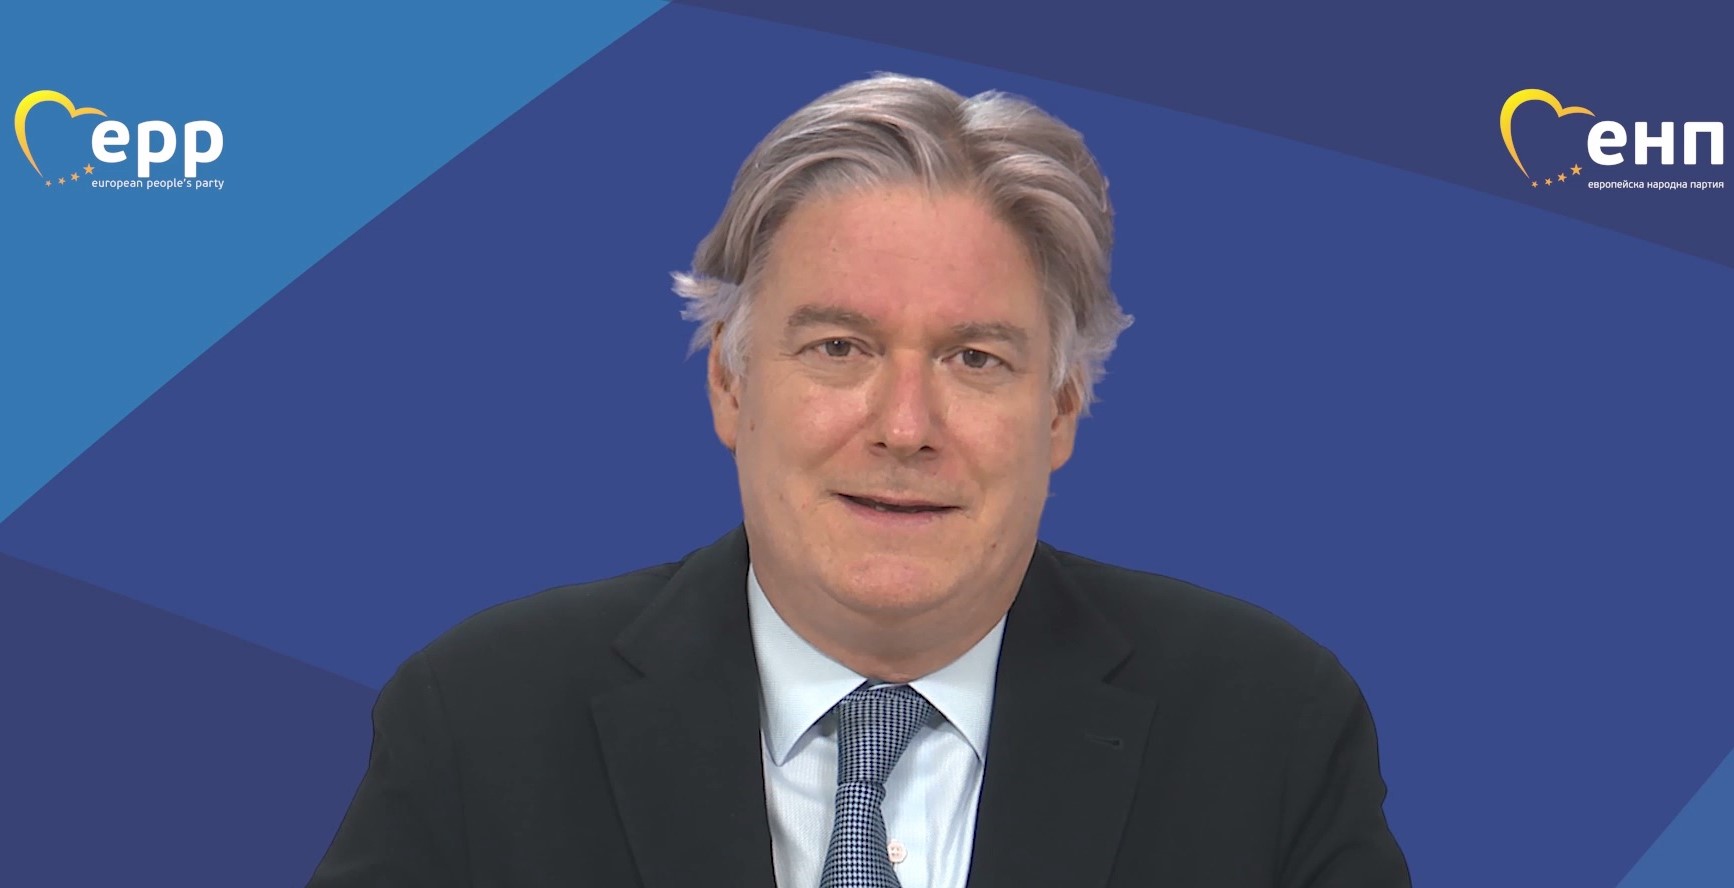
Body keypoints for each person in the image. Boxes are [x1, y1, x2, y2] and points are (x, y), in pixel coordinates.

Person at [307, 72, 1411, 888]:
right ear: (730, 383)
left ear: (1062, 409)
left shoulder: (1270, 733)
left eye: (975, 359)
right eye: (839, 348)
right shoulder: (479, 725)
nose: (905, 426)